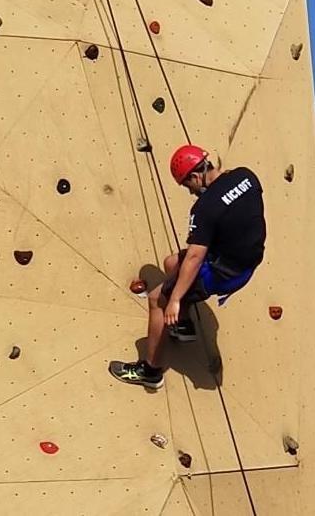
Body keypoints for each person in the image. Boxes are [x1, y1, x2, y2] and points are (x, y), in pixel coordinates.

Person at [109, 144, 266, 389]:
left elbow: (194, 257)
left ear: (195, 176)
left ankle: (150, 371)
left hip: (224, 273)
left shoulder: (205, 209)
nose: (191, 192)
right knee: (171, 263)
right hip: (246, 261)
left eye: (186, 185)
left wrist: (174, 299)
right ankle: (182, 325)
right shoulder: (246, 176)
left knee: (157, 299)